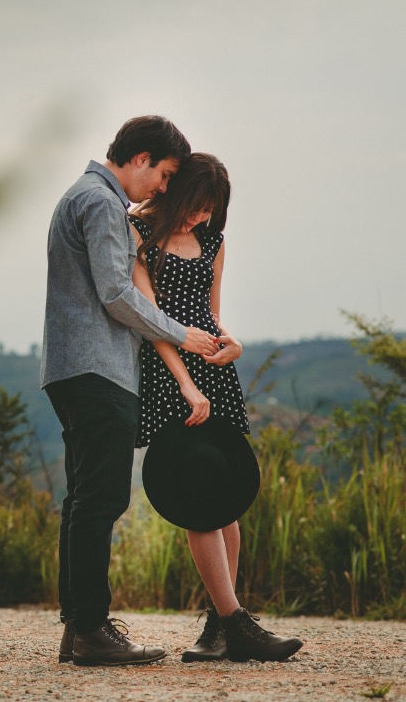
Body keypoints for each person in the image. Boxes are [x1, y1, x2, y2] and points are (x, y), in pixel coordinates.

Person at [41, 115, 222, 667]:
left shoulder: (84, 196)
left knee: (82, 499)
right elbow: (117, 293)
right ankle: (93, 629)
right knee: (101, 498)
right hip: (98, 370)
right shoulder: (99, 201)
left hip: (73, 368)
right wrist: (181, 333)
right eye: (164, 174)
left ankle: (80, 627)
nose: (164, 187)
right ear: (140, 158)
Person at [130, 152, 303, 662]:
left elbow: (212, 314)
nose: (201, 218)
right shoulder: (138, 233)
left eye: (210, 210)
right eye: (197, 206)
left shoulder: (213, 241)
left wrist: (234, 345)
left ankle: (219, 629)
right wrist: (185, 383)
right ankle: (236, 623)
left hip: (215, 375)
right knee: (198, 491)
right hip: (170, 377)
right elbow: (150, 321)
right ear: (177, 192)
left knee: (225, 494)